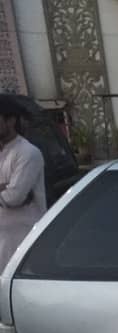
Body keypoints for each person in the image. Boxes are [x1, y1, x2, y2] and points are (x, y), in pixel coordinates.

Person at [0, 96, 46, 272]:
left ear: (11, 120)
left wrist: (8, 189)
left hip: (23, 241)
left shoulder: (27, 152)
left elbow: (14, 197)